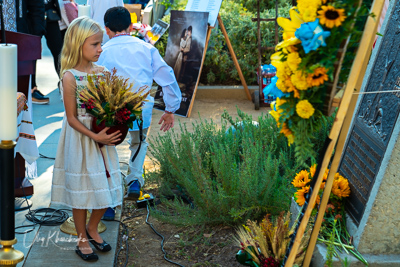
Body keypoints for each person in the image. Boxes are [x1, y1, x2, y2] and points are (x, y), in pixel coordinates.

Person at [97, 6, 181, 220]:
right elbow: (167, 75)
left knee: (107, 150)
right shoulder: (146, 48)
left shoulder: (102, 51)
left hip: (109, 111)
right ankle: (134, 179)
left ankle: (110, 199)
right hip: (140, 107)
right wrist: (171, 107)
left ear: (106, 29)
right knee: (139, 142)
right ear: (131, 27)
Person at [51, 17, 123, 261]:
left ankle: (94, 227)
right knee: (82, 192)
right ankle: (82, 237)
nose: (100, 49)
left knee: (107, 188)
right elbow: (71, 118)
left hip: (101, 140)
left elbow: (111, 106)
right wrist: (95, 136)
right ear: (78, 44)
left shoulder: (103, 73)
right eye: (95, 44)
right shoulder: (70, 77)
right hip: (81, 139)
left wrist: (117, 122)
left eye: (100, 43)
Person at [1, 0, 48, 104]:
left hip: (20, 36)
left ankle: (28, 93)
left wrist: (37, 36)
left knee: (21, 85)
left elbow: (36, 8)